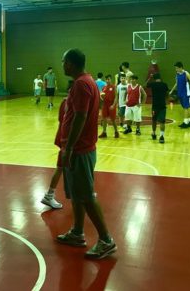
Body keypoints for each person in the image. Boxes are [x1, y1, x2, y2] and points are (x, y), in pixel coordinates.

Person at [56, 48, 116, 260]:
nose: (62, 65)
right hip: (80, 147)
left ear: (70, 64)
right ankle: (77, 232)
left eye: (63, 61)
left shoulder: (81, 84)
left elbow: (80, 117)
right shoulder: (87, 81)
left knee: (87, 196)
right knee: (78, 194)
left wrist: (70, 147)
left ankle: (106, 240)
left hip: (79, 149)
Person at [41, 80, 74, 209]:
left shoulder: (65, 101)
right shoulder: (69, 103)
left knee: (69, 167)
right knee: (61, 167)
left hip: (64, 137)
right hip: (66, 139)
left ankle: (82, 192)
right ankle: (49, 195)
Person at [169, 61, 190, 128]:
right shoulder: (177, 74)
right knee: (186, 108)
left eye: (177, 68)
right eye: (175, 68)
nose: (176, 69)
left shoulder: (186, 73)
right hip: (180, 93)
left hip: (186, 93)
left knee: (186, 107)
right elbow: (176, 83)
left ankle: (185, 122)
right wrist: (171, 90)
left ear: (181, 67)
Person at [147, 73, 169, 143]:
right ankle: (162, 136)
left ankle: (154, 133)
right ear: (160, 78)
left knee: (154, 120)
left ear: (154, 78)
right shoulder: (164, 85)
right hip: (162, 105)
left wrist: (150, 78)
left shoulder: (153, 84)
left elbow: (146, 85)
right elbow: (167, 94)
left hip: (155, 106)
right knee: (162, 122)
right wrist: (167, 100)